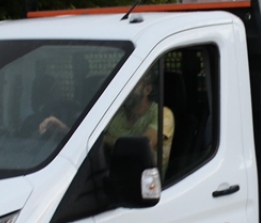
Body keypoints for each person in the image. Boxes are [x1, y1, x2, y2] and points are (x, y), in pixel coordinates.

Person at [42, 71, 174, 169]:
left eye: (132, 85)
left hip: (143, 188)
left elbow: (140, 147)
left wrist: (104, 140)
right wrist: (63, 128)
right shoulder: (117, 113)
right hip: (109, 179)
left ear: (147, 89)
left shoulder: (162, 114)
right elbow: (90, 135)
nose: (124, 90)